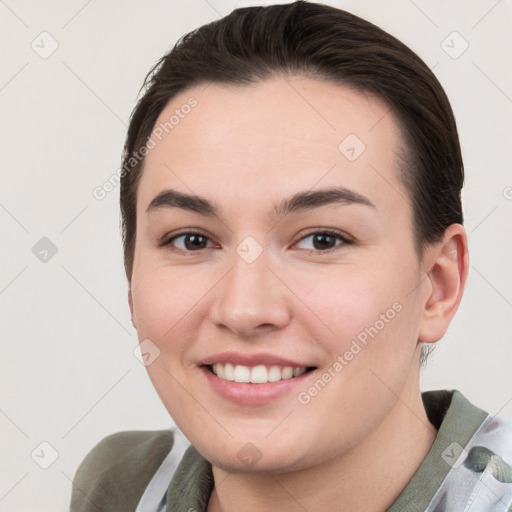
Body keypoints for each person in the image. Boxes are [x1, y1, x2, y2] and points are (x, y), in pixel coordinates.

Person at [69, 1, 512, 511]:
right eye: (192, 240)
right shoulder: (121, 487)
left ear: (437, 285)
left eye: (322, 240)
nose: (244, 309)